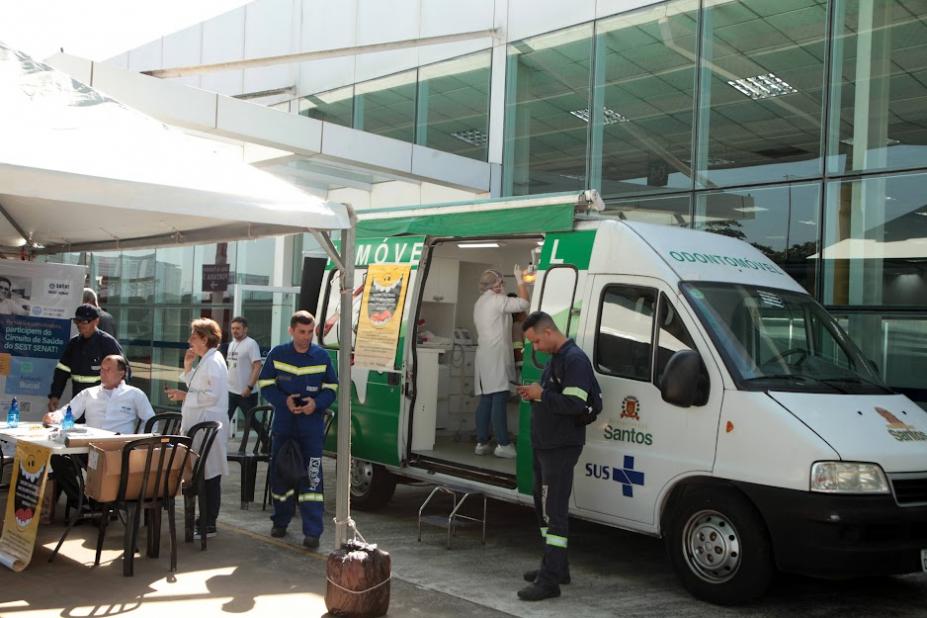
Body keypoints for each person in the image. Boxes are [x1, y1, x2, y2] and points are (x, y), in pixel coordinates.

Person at [515, 311, 599, 602]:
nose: (535, 348)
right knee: (544, 509)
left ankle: (549, 581)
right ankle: (556, 566)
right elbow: (554, 396)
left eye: (536, 341)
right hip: (545, 445)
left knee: (555, 513)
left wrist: (541, 395)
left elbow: (576, 403)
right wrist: (535, 394)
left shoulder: (574, 360)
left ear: (548, 332)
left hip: (560, 448)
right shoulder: (556, 360)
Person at [257, 310, 337, 549]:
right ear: (291, 331)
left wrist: (316, 403)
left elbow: (332, 387)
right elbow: (265, 384)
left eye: (310, 332)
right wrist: (284, 401)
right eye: (302, 332)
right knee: (280, 476)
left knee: (312, 480)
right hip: (284, 426)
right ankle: (280, 522)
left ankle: (312, 532)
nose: (306, 337)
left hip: (310, 429)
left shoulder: (321, 356)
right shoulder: (278, 354)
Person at [43, 354, 154, 511]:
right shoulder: (90, 393)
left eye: (108, 369)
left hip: (118, 452)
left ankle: (101, 507)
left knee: (102, 479)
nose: (103, 372)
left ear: (121, 373)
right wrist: (53, 417)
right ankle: (81, 503)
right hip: (88, 448)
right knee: (58, 459)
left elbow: (150, 420)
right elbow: (67, 412)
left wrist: (139, 443)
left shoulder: (135, 394)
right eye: (101, 369)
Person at [165, 318, 228, 539]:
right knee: (204, 474)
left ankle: (208, 522)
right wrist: (188, 367)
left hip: (207, 427)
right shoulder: (208, 360)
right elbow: (199, 387)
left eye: (193, 336)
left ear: (204, 338)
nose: (189, 340)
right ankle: (205, 521)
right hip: (200, 427)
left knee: (209, 475)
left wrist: (185, 395)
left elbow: (211, 395)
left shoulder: (213, 361)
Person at [472, 266, 530, 458]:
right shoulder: (497, 300)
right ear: (496, 285)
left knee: (487, 398)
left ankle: (481, 442)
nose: (504, 286)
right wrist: (520, 280)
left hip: (484, 355)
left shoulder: (480, 302)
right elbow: (523, 304)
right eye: (502, 283)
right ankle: (503, 444)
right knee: (498, 397)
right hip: (496, 355)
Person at [48, 304, 125, 415]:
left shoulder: (107, 343)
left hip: (101, 404)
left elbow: (122, 373)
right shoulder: (73, 344)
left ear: (96, 321)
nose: (80, 325)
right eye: (77, 321)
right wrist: (55, 395)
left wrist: (117, 401)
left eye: (84, 322)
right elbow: (62, 371)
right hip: (78, 401)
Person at [226, 316, 264, 441]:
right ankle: (217, 444)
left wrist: (249, 386)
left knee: (251, 421)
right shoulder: (232, 344)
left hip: (246, 393)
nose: (235, 331)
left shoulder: (251, 344)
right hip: (231, 391)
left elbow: (257, 366)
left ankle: (267, 443)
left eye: (238, 328)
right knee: (224, 419)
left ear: (245, 329)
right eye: (232, 328)